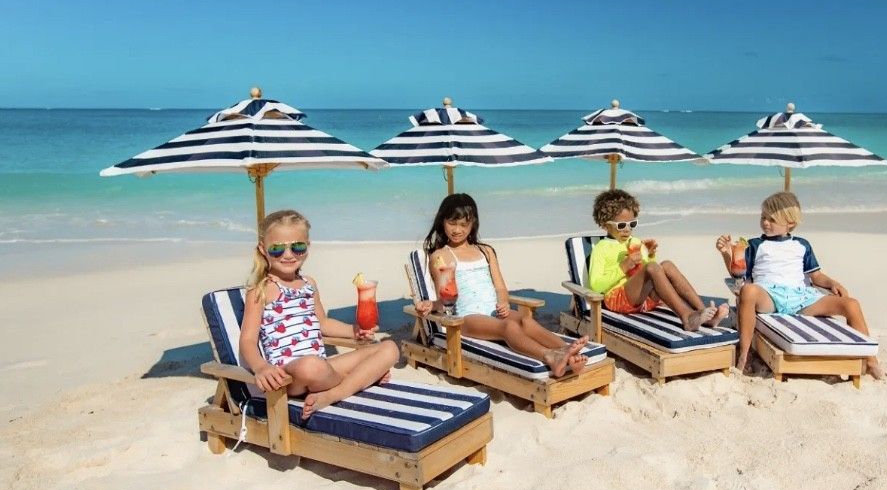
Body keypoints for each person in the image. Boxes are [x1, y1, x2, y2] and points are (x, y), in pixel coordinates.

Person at [238, 210, 399, 419]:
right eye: (277, 249)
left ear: (307, 246)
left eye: (297, 247)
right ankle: (359, 379)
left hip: (322, 367)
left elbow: (322, 323)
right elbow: (247, 340)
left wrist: (354, 331)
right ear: (262, 249)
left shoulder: (309, 284)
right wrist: (261, 367)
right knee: (311, 365)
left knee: (389, 348)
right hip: (290, 375)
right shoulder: (260, 290)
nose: (288, 255)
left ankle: (335, 392)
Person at [413, 194, 589, 378]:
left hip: (493, 312)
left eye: (463, 224)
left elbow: (500, 288)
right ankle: (550, 356)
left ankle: (567, 352)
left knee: (525, 321)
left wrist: (504, 302)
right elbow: (446, 298)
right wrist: (431, 305)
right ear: (442, 221)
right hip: (467, 318)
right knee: (509, 327)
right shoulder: (441, 256)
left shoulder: (485, 251)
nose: (457, 230)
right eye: (452, 223)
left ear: (473, 223)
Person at [720, 192, 884, 379]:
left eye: (772, 219)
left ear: (790, 223)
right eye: (763, 217)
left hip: (802, 298)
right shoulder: (755, 245)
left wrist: (832, 283)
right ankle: (744, 354)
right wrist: (726, 254)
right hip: (770, 296)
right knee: (748, 290)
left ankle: (871, 361)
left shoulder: (802, 245)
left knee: (851, 304)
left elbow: (816, 276)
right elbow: (738, 272)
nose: (765, 222)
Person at [589, 189, 729, 332]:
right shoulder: (601, 249)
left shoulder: (635, 242)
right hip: (618, 300)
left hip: (644, 299)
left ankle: (703, 312)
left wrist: (649, 255)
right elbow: (596, 286)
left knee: (667, 265)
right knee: (652, 267)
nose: (627, 230)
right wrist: (623, 267)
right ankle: (686, 317)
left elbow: (647, 273)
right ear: (605, 225)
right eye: (621, 225)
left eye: (632, 224)